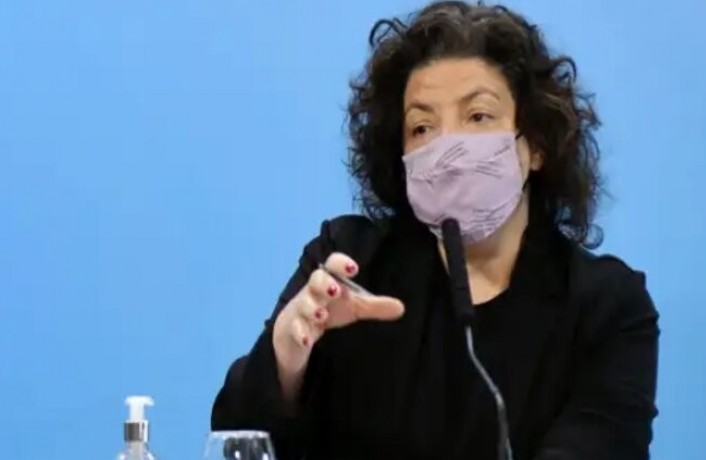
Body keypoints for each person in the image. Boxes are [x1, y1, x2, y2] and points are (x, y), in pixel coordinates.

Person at [211, 1, 660, 459]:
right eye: (422, 127)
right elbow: (236, 438)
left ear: (537, 143)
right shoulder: (350, 266)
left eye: (478, 116)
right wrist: (286, 355)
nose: (447, 148)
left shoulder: (606, 306)